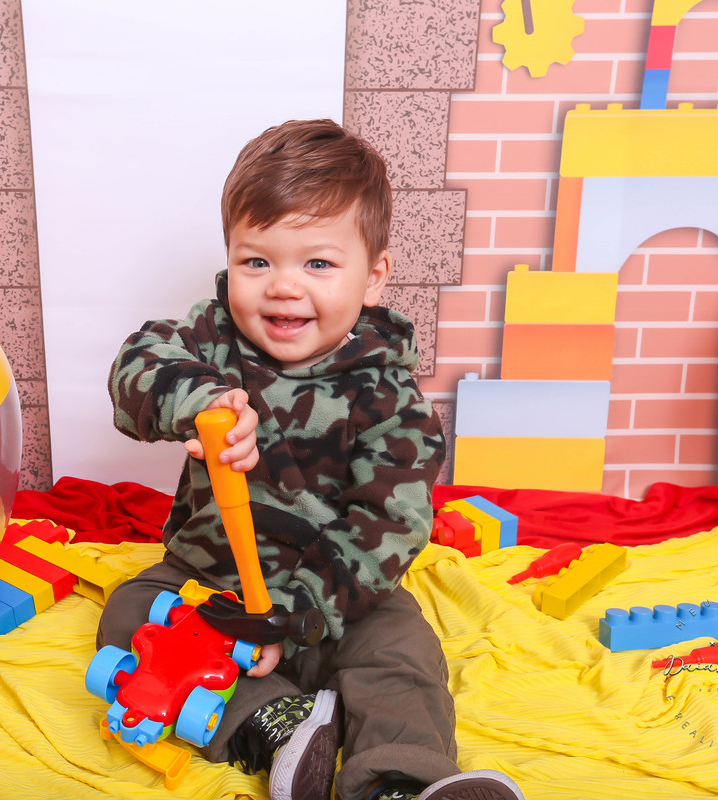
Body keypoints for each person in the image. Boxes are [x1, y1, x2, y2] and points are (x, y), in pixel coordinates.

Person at [99, 119, 524, 800]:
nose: (283, 287)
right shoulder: (212, 339)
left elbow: (389, 525)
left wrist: (298, 617)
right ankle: (277, 727)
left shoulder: (389, 396)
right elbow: (136, 364)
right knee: (129, 613)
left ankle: (398, 780)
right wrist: (201, 401)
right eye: (256, 262)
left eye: (318, 264)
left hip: (337, 599)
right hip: (211, 583)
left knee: (403, 652)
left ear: (373, 277)